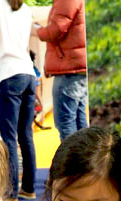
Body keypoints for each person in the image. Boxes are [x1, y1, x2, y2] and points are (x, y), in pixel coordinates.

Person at [0, 0, 37, 201]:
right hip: (28, 72)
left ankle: (10, 193)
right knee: (26, 134)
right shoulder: (25, 8)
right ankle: (29, 188)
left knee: (8, 137)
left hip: (9, 73)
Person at [34, 0, 86, 141]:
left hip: (68, 69)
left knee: (65, 122)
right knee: (79, 121)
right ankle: (84, 161)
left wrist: (35, 30)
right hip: (75, 68)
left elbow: (55, 31)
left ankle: (72, 162)